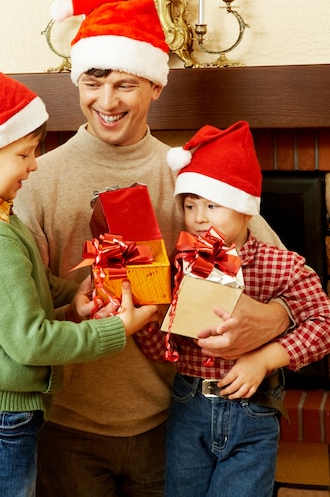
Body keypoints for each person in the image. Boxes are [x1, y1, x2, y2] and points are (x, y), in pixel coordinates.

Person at [14, 0, 291, 497]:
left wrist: (273, 320)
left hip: (174, 424)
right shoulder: (35, 180)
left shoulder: (193, 179)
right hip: (66, 427)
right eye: (94, 82)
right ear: (76, 81)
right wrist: (78, 308)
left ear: (157, 86)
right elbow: (19, 315)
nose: (107, 101)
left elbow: (286, 276)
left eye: (125, 84)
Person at [0, 51, 157, 497]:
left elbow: (26, 284)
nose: (34, 165)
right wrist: (114, 330)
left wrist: (77, 295)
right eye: (25, 154)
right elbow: (31, 341)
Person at [134, 120, 330, 497]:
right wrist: (145, 315)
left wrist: (266, 358)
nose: (199, 217)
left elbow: (323, 322)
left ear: (245, 210)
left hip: (252, 412)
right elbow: (162, 350)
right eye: (190, 206)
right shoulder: (179, 266)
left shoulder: (282, 265)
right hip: (187, 405)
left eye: (212, 205)